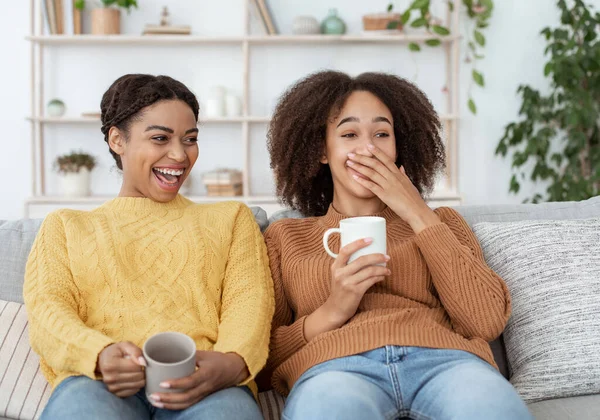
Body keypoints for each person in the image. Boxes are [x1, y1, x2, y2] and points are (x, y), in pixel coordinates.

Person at [260, 70, 532, 419]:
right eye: (349, 133)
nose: (368, 148)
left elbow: (485, 321)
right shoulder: (287, 239)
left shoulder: (441, 223)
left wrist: (417, 212)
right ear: (321, 151)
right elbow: (260, 362)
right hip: (334, 370)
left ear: (398, 147)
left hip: (447, 363)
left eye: (381, 133)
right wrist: (333, 311)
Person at [24, 74, 274, 420]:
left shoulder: (231, 218)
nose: (179, 155)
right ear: (117, 140)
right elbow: (47, 312)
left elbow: (249, 301)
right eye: (160, 138)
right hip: (99, 385)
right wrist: (98, 354)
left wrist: (233, 363)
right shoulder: (65, 226)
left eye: (190, 139)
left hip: (205, 384)